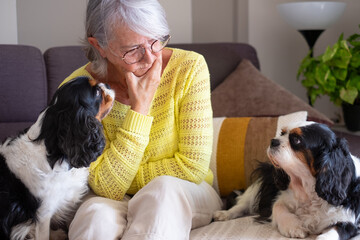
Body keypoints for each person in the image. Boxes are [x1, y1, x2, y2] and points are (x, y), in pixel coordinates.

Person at [61, 0, 222, 239]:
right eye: (132, 49)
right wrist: (140, 108)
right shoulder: (77, 92)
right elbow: (103, 188)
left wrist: (119, 179)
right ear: (99, 46)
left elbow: (192, 167)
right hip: (111, 198)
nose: (149, 58)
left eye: (156, 40)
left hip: (186, 190)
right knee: (95, 215)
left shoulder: (189, 68)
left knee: (161, 192)